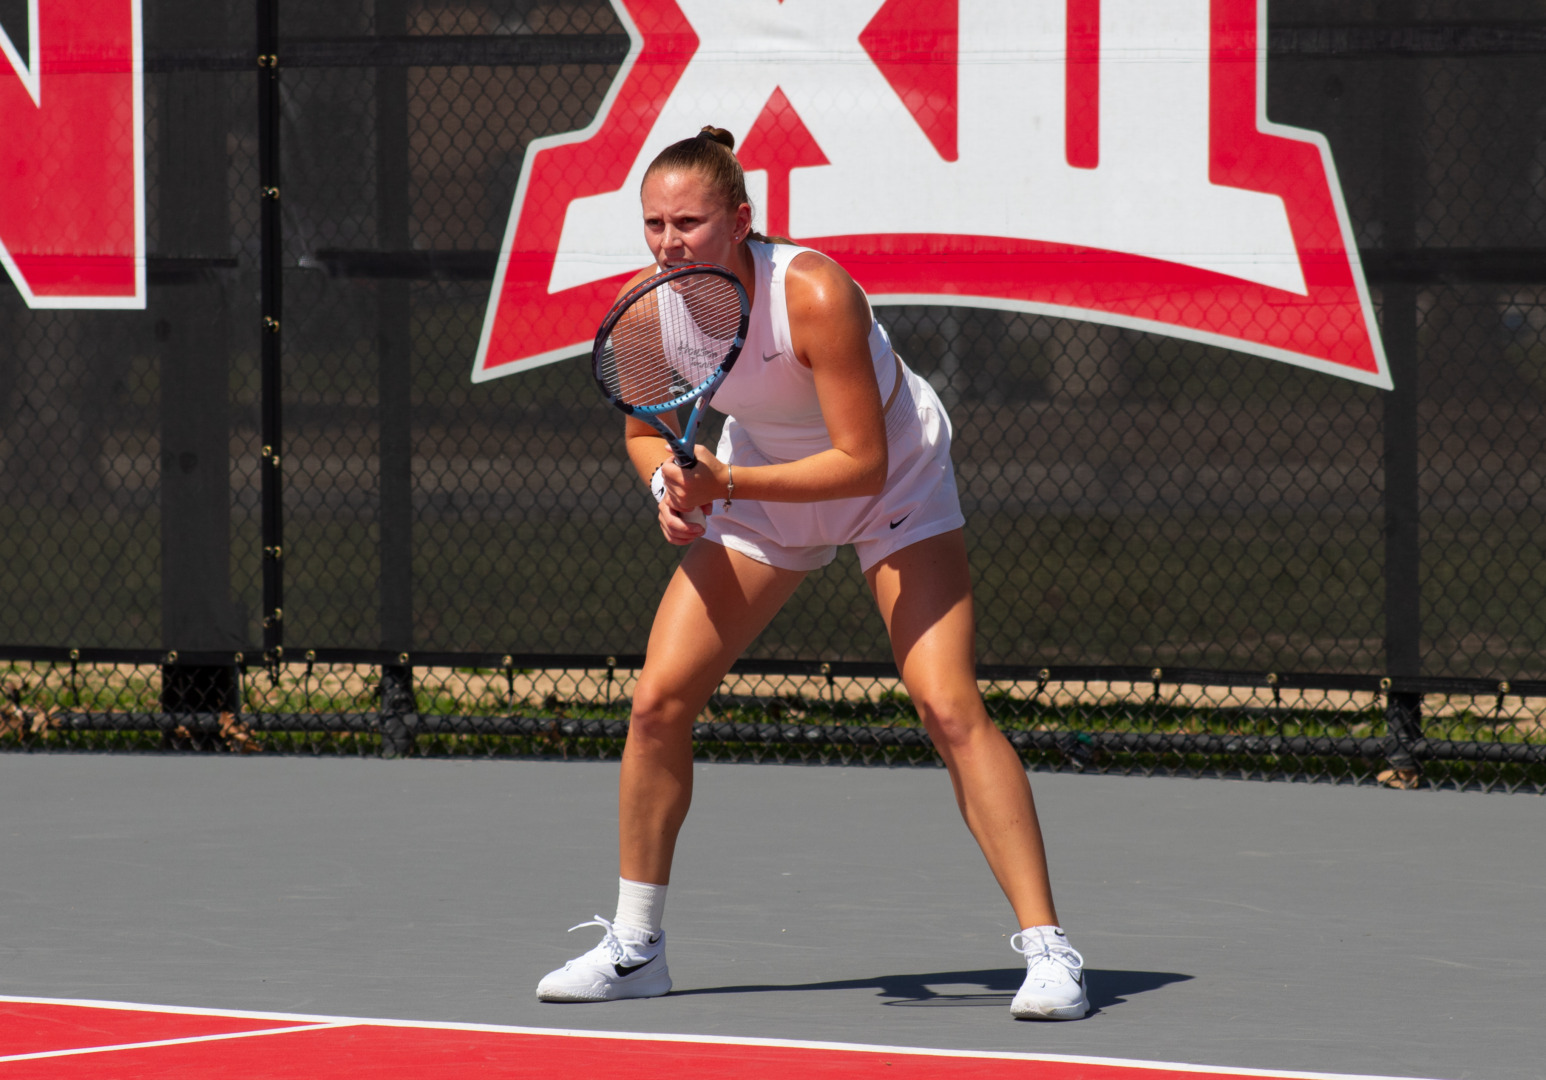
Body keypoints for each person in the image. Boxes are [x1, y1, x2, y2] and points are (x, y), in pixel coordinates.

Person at [535, 127, 1090, 1021]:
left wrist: (726, 482)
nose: (669, 242)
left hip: (892, 480)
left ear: (740, 220)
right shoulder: (645, 311)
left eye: (689, 222)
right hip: (758, 481)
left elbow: (862, 464)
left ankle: (1051, 952)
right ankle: (637, 949)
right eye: (654, 224)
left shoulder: (817, 293)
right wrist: (665, 488)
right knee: (658, 704)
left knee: (947, 705)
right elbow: (643, 431)